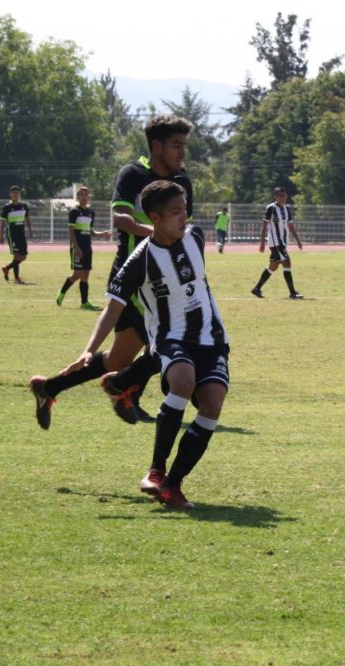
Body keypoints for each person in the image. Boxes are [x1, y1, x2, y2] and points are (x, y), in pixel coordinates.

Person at [64, 180, 229, 509]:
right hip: (170, 338)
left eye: (185, 210)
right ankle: (155, 471)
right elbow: (113, 307)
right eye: (175, 212)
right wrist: (89, 348)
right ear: (154, 217)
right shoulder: (139, 260)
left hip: (212, 338)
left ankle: (173, 485)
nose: (184, 217)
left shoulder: (195, 237)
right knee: (182, 382)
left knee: (211, 405)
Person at [28, 115, 195, 429]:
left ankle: (50, 388)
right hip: (133, 277)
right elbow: (121, 218)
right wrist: (159, 232)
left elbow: (183, 229)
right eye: (176, 145)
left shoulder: (182, 182)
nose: (182, 153)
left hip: (165, 277)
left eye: (184, 146)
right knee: (172, 341)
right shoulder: (132, 174)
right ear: (156, 145)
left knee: (120, 360)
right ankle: (123, 391)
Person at [57, 185, 111, 310]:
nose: (84, 197)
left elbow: (91, 231)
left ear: (89, 196)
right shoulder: (74, 212)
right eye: (81, 194)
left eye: (86, 194)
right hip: (77, 247)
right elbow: (71, 231)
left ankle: (84, 302)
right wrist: (76, 248)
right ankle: (62, 291)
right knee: (77, 273)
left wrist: (102, 234)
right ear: (77, 197)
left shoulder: (91, 213)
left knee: (85, 274)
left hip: (87, 247)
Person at [250, 187, 304, 299]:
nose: (282, 198)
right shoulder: (271, 208)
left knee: (273, 266)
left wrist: (298, 241)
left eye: (284, 195)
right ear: (275, 196)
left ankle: (257, 288)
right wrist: (262, 243)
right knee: (287, 263)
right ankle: (293, 292)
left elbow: (291, 226)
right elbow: (264, 225)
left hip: (282, 242)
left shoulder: (287, 209)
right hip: (275, 242)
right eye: (280, 196)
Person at [0, 185, 34, 283]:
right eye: (13, 193)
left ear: (19, 194)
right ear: (10, 194)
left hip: (21, 234)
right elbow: (2, 222)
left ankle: (7, 268)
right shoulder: (7, 207)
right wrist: (0, 235)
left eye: (17, 193)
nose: (15, 194)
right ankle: (17, 278)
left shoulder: (24, 206)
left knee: (24, 256)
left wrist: (30, 230)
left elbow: (27, 219)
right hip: (12, 234)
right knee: (16, 256)